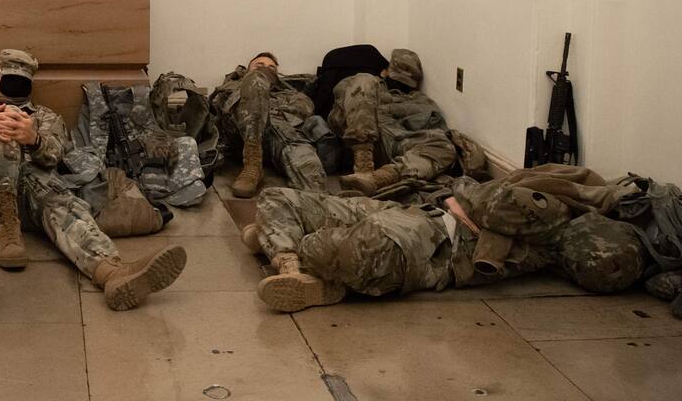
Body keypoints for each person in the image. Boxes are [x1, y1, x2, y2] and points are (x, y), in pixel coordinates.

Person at [0, 49, 186, 310]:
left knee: (62, 202)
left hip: (34, 195)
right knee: (1, 139)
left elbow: (55, 154)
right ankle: (7, 230)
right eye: (7, 76)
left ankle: (111, 272)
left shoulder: (45, 117)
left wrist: (34, 139)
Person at [244, 164, 646, 313]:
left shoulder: (553, 228)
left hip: (432, 242)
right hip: (416, 211)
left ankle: (291, 252)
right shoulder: (549, 202)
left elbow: (489, 199)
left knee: (351, 251)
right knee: (277, 196)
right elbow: (488, 196)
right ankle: (289, 261)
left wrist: (470, 194)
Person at [329, 48, 459, 195]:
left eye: (404, 84)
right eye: (396, 80)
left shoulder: (417, 98)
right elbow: (340, 97)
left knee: (445, 146)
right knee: (364, 80)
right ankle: (363, 167)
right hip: (357, 135)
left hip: (393, 141)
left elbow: (430, 117)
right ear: (384, 72)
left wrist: (389, 106)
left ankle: (379, 178)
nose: (398, 85)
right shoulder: (367, 82)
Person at [211, 52, 325, 198]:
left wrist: (270, 109)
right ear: (247, 69)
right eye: (259, 65)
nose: (265, 69)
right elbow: (219, 110)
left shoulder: (290, 93)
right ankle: (253, 165)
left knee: (312, 176)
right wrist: (255, 99)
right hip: (241, 136)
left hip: (280, 134)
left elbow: (304, 110)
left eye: (271, 67)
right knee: (256, 80)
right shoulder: (230, 87)